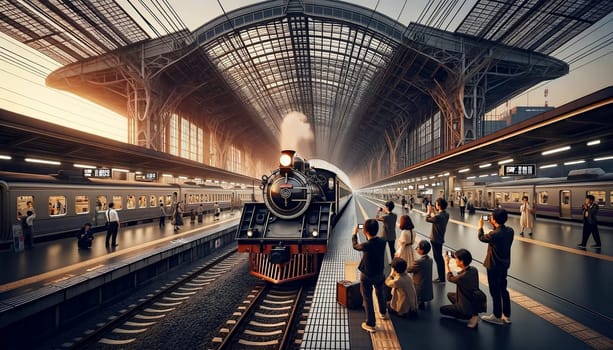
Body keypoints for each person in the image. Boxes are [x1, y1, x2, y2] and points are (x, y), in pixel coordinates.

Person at [478, 208, 514, 325]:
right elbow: (499, 233)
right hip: (504, 264)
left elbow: (481, 237)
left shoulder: (494, 234)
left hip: (493, 265)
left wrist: (480, 226)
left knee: (495, 291)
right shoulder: (510, 231)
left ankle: (497, 316)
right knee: (503, 289)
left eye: (491, 217)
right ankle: (506, 315)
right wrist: (495, 224)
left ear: (494, 220)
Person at [352, 219, 388, 333]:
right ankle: (383, 313)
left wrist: (354, 233)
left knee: (367, 298)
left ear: (365, 231)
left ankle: (371, 324)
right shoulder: (383, 241)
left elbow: (355, 246)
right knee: (380, 293)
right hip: (380, 273)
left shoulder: (366, 245)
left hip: (367, 275)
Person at [440, 249, 481, 328]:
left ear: (461, 262)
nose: (455, 260)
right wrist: (454, 255)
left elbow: (450, 278)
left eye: (456, 258)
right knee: (450, 295)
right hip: (472, 299)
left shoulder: (462, 277)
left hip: (465, 306)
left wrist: (446, 263)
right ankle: (472, 313)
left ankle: (468, 315)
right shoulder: (473, 269)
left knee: (442, 310)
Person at [426, 197, 449, 283]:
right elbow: (437, 216)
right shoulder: (446, 214)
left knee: (438, 259)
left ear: (438, 206)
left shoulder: (438, 217)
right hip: (440, 238)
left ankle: (441, 279)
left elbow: (427, 219)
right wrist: (433, 212)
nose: (435, 205)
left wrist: (429, 211)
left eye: (436, 204)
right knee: (440, 258)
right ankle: (442, 277)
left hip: (435, 239)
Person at [407, 240, 433, 309]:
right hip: (427, 285)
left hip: (419, 287)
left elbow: (409, 270)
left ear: (421, 251)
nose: (417, 248)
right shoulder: (430, 259)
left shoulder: (419, 262)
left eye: (418, 247)